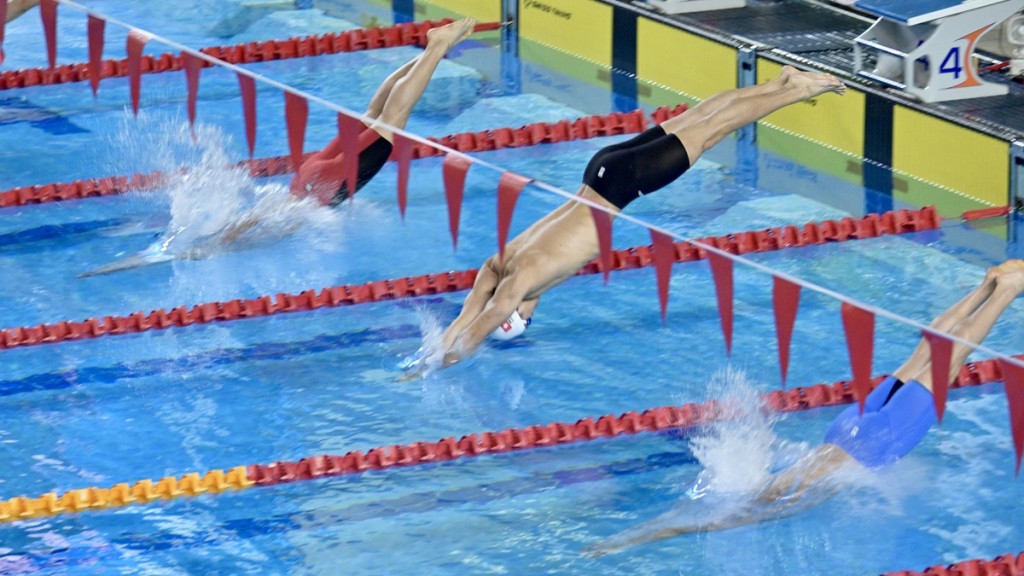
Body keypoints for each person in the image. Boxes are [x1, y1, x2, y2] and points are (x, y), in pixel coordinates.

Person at [415, 66, 846, 373]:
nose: (529, 313)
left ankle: (797, 91)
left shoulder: (520, 282)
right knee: (700, 118)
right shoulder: (501, 263)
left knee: (712, 130)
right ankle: (782, 82)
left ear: (517, 313)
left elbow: (483, 321)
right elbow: (469, 315)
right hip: (599, 171)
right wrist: (437, 348)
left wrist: (439, 366)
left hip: (622, 185)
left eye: (525, 318)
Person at [587, 259, 1024, 555]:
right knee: (928, 352)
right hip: (848, 432)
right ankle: (987, 284)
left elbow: (704, 523)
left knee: (943, 356)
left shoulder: (781, 498)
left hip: (865, 439)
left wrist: (642, 538)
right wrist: (640, 533)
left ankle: (1004, 289)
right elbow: (697, 515)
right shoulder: (770, 480)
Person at [79, 18, 478, 277]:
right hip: (312, 180)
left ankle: (435, 48)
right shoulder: (264, 218)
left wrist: (194, 252)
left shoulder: (262, 226)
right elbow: (244, 227)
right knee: (381, 112)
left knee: (388, 116)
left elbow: (240, 233)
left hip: (318, 181)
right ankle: (432, 49)